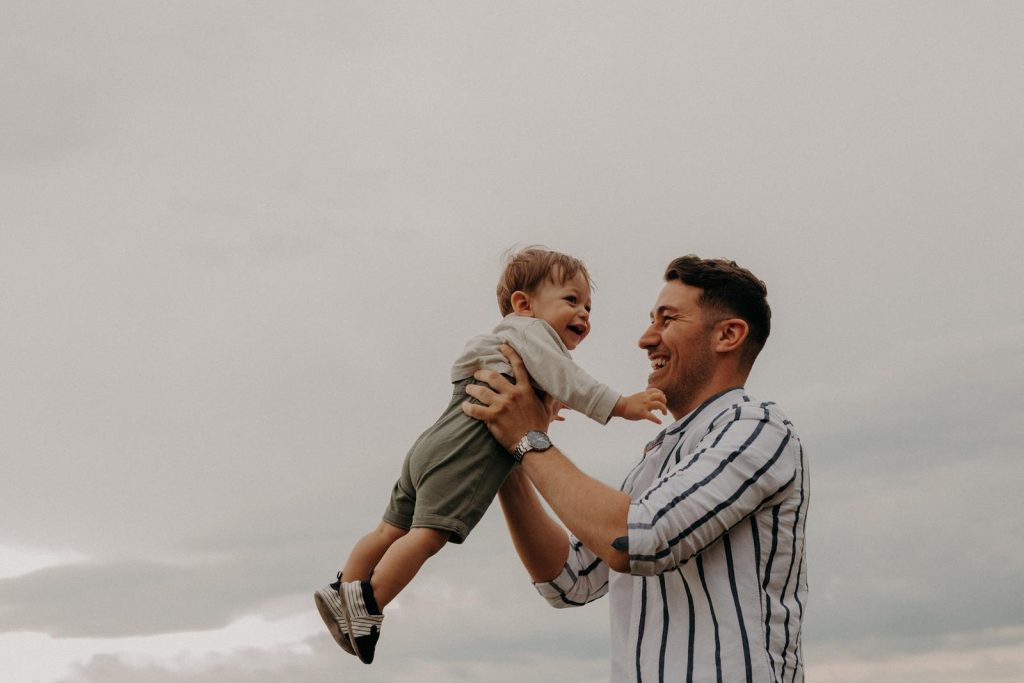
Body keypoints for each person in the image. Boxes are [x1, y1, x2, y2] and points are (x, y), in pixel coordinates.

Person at [462, 255, 809, 682]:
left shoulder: (756, 427)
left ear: (728, 335)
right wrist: (507, 444)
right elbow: (571, 581)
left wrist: (530, 439)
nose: (646, 339)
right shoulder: (659, 456)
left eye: (667, 320)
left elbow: (638, 539)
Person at [314, 247, 667, 664]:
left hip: (434, 441)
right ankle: (369, 605)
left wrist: (545, 408)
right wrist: (622, 405)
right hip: (467, 448)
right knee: (428, 535)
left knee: (388, 530)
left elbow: (530, 386)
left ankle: (343, 589)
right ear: (524, 304)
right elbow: (571, 380)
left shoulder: (501, 342)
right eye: (571, 301)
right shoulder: (536, 335)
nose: (584, 314)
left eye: (588, 306)